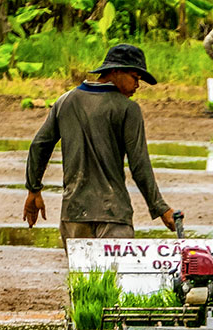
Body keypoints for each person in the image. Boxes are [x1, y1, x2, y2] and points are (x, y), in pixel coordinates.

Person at [23, 44, 176, 245]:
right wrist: (160, 207)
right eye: (134, 78)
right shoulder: (128, 109)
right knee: (114, 276)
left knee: (81, 276)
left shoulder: (65, 102)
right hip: (113, 215)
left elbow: (39, 145)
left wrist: (34, 189)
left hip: (74, 215)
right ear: (114, 71)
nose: (137, 86)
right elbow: (139, 164)